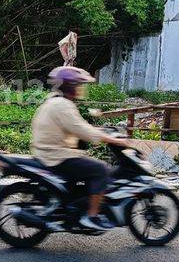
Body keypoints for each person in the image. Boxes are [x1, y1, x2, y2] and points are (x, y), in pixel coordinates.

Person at [31, 66, 127, 231]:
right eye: (78, 85)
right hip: (56, 156)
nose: (81, 89)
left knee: (86, 164)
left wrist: (99, 132)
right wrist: (110, 139)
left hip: (47, 152)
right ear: (70, 86)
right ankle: (92, 216)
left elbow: (78, 126)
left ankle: (77, 204)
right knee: (100, 170)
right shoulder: (63, 105)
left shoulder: (53, 100)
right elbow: (82, 130)